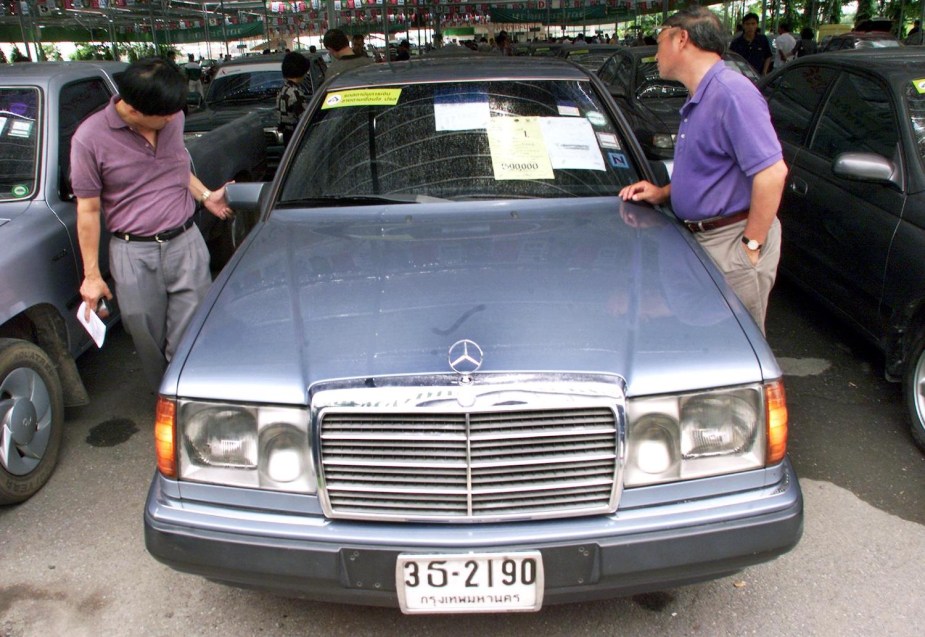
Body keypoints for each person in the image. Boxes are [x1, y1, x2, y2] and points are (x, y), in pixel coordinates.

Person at [618, 7, 788, 333]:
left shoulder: (731, 93)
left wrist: (750, 247)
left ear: (682, 38)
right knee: (704, 341)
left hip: (731, 241)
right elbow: (713, 170)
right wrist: (665, 193)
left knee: (736, 349)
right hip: (704, 241)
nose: (655, 53)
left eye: (659, 40)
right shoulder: (703, 95)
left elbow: (772, 173)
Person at [70, 58, 234, 390]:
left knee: (189, 337)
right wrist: (91, 275)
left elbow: (174, 167)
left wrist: (204, 196)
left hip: (185, 242)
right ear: (134, 108)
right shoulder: (89, 139)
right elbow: (87, 210)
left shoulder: (171, 118)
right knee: (145, 335)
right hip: (133, 253)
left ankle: (186, 400)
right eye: (167, 114)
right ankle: (166, 399)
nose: (175, 118)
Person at [276, 52, 311, 146]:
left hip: (286, 136)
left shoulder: (283, 90)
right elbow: (305, 119)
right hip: (296, 138)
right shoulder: (296, 94)